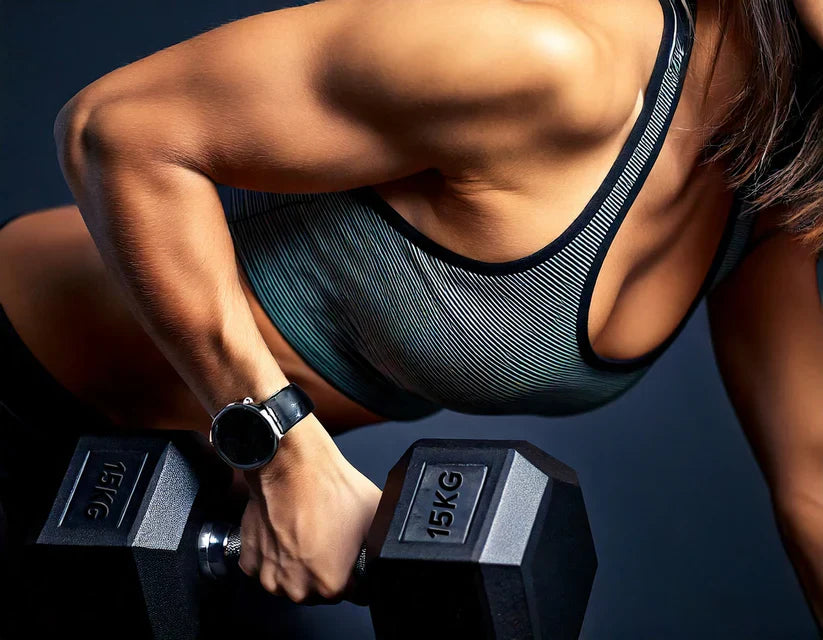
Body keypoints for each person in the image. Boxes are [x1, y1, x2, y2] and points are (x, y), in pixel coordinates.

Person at [1, 0, 823, 626]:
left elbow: (812, 483)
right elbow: (118, 129)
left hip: (163, 508)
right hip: (21, 381)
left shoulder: (764, 198)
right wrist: (285, 459)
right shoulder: (555, 61)